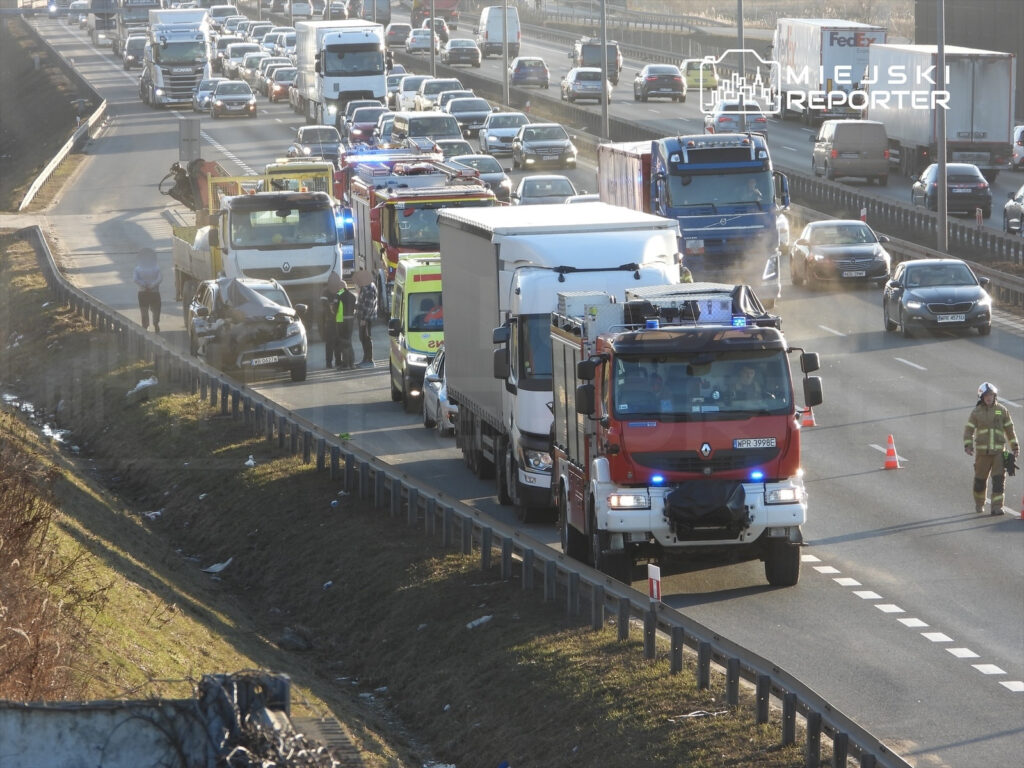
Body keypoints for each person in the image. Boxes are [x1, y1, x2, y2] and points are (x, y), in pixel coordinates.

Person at [963, 382, 1019, 515]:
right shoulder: (976, 412)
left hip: (999, 453)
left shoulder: (1002, 410)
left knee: (999, 480)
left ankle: (997, 507)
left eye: (991, 395)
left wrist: (1015, 447)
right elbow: (968, 430)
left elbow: (1010, 430)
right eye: (986, 395)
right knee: (979, 481)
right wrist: (968, 445)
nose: (989, 397)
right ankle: (979, 504)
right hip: (983, 454)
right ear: (981, 397)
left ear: (995, 396)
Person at [132, 247, 162, 332]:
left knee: (144, 310)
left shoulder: (137, 269)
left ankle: (145, 326)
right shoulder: (156, 268)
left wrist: (144, 285)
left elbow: (135, 279)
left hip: (142, 293)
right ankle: (156, 324)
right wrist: (152, 286)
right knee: (156, 309)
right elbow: (160, 279)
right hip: (154, 292)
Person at [353, 271, 378, 368]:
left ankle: (369, 360)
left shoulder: (369, 289)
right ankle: (365, 359)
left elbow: (369, 306)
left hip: (366, 318)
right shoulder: (365, 287)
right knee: (362, 337)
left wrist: (364, 319)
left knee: (366, 338)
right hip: (362, 317)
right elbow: (361, 303)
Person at [320, 272, 343, 368]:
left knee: (332, 342)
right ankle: (334, 362)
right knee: (334, 342)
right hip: (333, 320)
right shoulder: (329, 291)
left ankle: (333, 362)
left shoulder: (329, 291)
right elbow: (323, 304)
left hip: (333, 320)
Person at [334, 280, 356, 369]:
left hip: (341, 321)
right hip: (351, 321)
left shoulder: (339, 294)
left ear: (340, 287)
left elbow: (335, 308)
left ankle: (345, 364)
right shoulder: (352, 296)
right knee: (349, 341)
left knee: (343, 342)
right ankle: (352, 363)